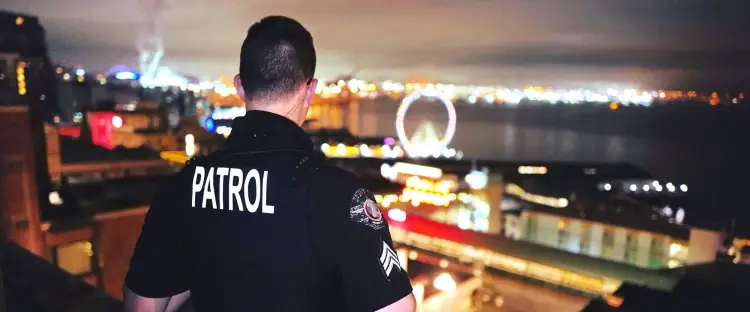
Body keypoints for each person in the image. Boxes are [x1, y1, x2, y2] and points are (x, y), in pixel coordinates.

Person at [123, 15, 416, 312]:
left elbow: (143, 307)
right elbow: (397, 308)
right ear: (310, 89)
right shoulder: (340, 196)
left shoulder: (183, 186)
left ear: (240, 87)